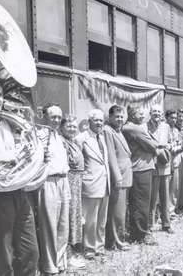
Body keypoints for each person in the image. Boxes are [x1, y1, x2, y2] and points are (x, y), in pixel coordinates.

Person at [0, 77, 39, 276]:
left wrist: (32, 156)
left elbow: (15, 156)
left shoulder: (5, 123)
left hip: (18, 192)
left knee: (30, 252)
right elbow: (2, 158)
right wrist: (0, 157)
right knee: (1, 257)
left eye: (0, 95)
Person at [37, 104, 71, 275]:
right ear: (44, 117)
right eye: (53, 117)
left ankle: (60, 262)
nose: (57, 120)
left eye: (59, 117)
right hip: (48, 182)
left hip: (63, 181)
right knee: (49, 225)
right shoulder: (39, 136)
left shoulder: (59, 135)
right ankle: (49, 266)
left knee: (63, 225)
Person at [76, 109, 110, 259]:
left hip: (105, 183)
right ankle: (89, 248)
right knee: (90, 219)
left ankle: (100, 247)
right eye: (96, 120)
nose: (99, 123)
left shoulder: (102, 137)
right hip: (90, 184)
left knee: (102, 219)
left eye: (101, 120)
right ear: (89, 121)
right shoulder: (81, 138)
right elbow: (77, 163)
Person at [123, 106, 159, 244]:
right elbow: (153, 146)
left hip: (140, 168)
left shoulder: (131, 127)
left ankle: (137, 233)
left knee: (139, 203)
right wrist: (159, 145)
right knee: (142, 203)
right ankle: (140, 235)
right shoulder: (134, 128)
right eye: (140, 113)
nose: (143, 115)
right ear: (132, 115)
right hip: (141, 169)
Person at [103, 105, 132, 251]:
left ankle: (116, 239)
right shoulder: (108, 131)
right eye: (117, 117)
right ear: (110, 117)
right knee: (117, 212)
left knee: (120, 210)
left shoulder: (118, 131)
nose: (120, 119)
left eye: (122, 116)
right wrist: (117, 176)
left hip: (125, 175)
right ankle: (116, 242)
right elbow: (111, 156)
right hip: (119, 176)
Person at [60, 115, 86, 268]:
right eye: (69, 126)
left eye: (74, 126)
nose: (72, 128)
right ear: (62, 127)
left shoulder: (74, 142)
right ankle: (68, 256)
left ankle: (74, 253)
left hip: (77, 183)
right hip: (69, 183)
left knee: (75, 217)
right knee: (68, 218)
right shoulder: (62, 142)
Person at [147, 105, 174, 234]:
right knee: (152, 197)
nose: (156, 114)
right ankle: (150, 224)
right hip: (152, 163)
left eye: (158, 111)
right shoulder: (145, 126)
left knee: (165, 196)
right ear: (150, 113)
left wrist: (168, 146)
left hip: (165, 164)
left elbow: (172, 142)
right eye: (154, 112)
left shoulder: (166, 126)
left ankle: (166, 224)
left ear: (162, 114)